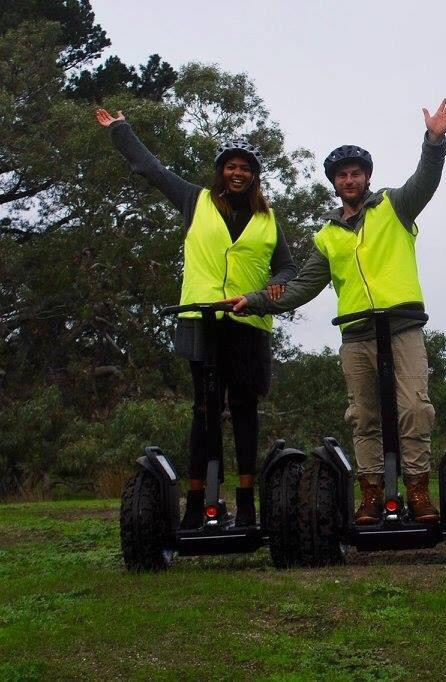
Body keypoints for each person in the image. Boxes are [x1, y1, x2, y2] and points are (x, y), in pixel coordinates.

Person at [223, 98, 446, 525]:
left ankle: (419, 492)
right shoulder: (327, 236)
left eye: (356, 173)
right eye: (342, 176)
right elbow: (300, 288)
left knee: (414, 410)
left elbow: (426, 180)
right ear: (334, 183)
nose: (349, 180)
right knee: (363, 416)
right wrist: (254, 300)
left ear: (367, 178)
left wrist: (434, 141)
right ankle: (370, 496)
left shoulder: (394, 207)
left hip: (403, 326)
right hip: (356, 334)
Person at [96, 108, 297, 528]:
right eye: (230, 167)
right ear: (220, 172)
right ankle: (198, 506)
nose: (236, 173)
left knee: (243, 409)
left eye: (244, 168)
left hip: (248, 323)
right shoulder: (194, 199)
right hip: (200, 320)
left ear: (254, 175)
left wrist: (273, 289)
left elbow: (286, 268)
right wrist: (121, 130)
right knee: (204, 410)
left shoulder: (268, 217)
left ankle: (244, 505)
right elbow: (151, 169)